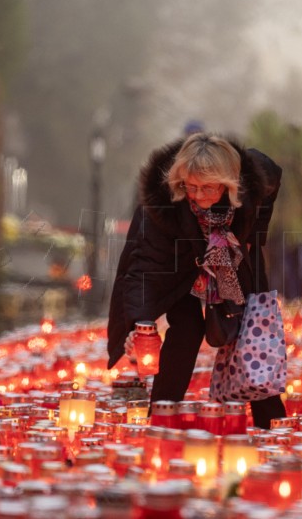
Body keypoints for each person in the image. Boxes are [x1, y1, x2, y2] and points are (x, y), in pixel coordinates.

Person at [107, 132, 286, 428]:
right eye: (192, 188)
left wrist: (254, 235)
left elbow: (273, 179)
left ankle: (272, 427)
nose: (199, 197)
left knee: (251, 330)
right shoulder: (161, 205)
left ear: (229, 184)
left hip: (231, 257)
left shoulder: (254, 180)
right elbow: (144, 268)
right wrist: (142, 324)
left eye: (208, 188)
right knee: (186, 329)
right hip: (181, 263)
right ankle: (162, 416)